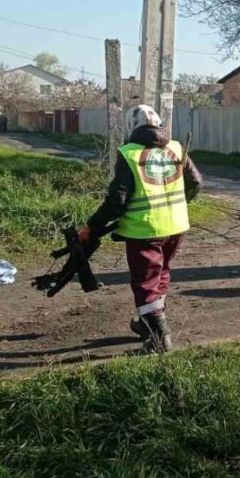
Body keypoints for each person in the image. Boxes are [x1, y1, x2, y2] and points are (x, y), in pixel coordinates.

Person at [80, 104, 202, 352]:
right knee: (161, 274)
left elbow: (117, 201)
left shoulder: (129, 154)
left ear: (131, 127)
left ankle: (159, 339)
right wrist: (179, 204)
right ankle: (146, 323)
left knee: (145, 283)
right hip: (176, 226)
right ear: (159, 125)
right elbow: (196, 183)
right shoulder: (176, 148)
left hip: (144, 231)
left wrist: (91, 226)